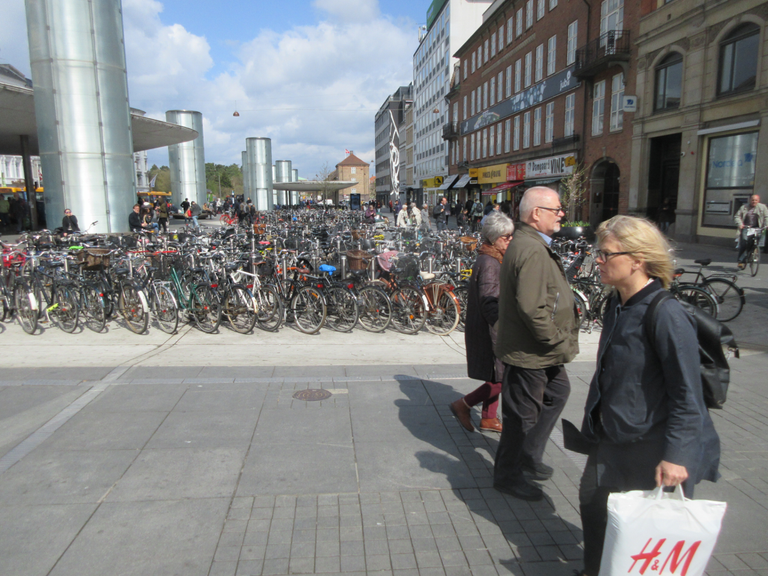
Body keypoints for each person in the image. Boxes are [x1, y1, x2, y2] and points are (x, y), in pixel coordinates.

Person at [575, 215, 721, 576]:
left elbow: (687, 395)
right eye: (599, 252)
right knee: (594, 508)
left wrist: (677, 456)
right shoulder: (617, 303)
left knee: (643, 535)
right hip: (612, 437)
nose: (598, 260)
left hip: (650, 447)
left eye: (606, 254)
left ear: (637, 260)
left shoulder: (665, 313)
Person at [493, 186, 579, 501]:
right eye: (556, 209)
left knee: (558, 392)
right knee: (520, 416)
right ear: (535, 214)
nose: (561, 214)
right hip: (531, 350)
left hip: (540, 349)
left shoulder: (533, 244)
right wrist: (555, 339)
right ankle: (508, 475)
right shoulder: (530, 248)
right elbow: (531, 307)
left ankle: (529, 453)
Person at [450, 212, 515, 434]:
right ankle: (464, 404)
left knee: (496, 374)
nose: (510, 240)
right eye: (506, 237)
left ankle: (488, 418)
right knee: (504, 377)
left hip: (486, 328)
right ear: (494, 237)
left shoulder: (490, 257)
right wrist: (504, 328)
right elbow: (490, 304)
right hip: (491, 330)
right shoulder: (490, 262)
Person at [734, 194, 767, 269]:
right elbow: (737, 216)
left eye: (756, 200)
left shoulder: (763, 207)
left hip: (758, 228)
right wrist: (740, 224)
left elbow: (766, 217)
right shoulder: (744, 207)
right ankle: (741, 261)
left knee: (755, 243)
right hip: (746, 227)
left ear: (758, 201)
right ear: (749, 200)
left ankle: (752, 253)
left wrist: (766, 225)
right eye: (752, 200)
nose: (754, 201)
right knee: (744, 242)